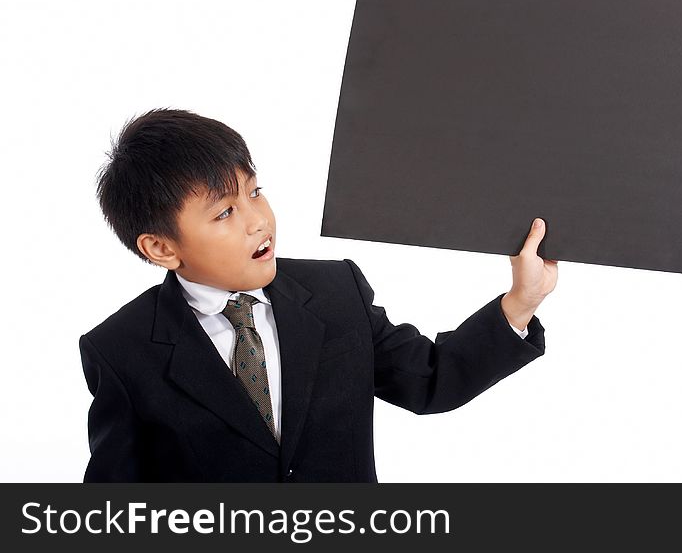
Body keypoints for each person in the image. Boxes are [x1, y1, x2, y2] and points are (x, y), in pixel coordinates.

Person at [80, 107, 557, 481]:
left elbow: (431, 381)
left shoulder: (335, 292)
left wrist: (522, 300)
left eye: (254, 191)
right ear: (161, 247)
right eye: (224, 213)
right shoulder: (121, 349)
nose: (258, 220)